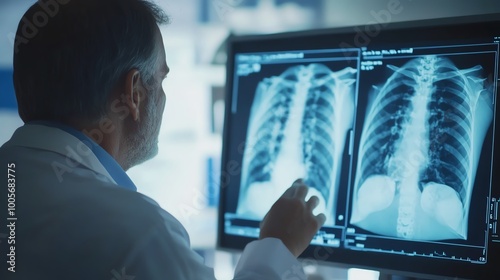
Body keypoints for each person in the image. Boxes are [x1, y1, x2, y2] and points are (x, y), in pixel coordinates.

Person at [0, 0, 326, 279]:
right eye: (161, 78)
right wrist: (278, 248)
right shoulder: (140, 235)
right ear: (133, 94)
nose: (164, 95)